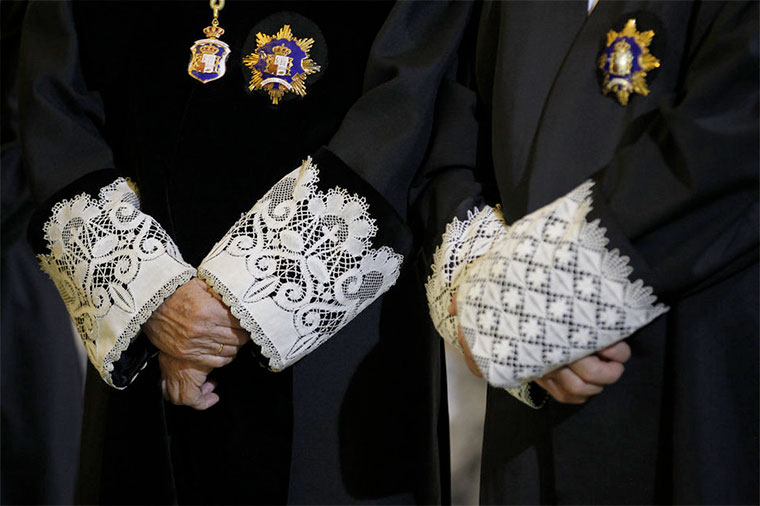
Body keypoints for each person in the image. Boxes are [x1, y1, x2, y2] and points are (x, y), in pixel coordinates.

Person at [19, 1, 475, 503]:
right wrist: (149, 290)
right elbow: (54, 100)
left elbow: (408, 101)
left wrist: (243, 299)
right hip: (144, 335)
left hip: (335, 329)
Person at [413, 0, 758, 504]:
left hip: (706, 370)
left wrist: (538, 296)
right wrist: (482, 277)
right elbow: (453, 119)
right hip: (530, 413)